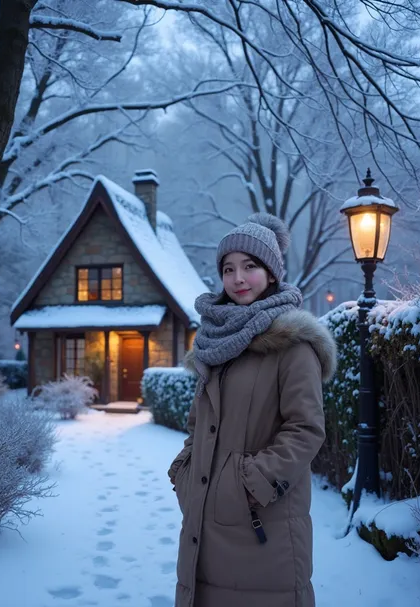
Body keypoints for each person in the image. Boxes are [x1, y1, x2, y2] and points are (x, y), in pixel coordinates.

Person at [168, 213, 337, 607]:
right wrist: (185, 473)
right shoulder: (215, 344)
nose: (238, 278)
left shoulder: (293, 345)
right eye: (229, 269)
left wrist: (249, 483)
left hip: (264, 526)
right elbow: (199, 426)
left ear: (272, 274)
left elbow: (305, 429)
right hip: (204, 523)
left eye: (250, 266)